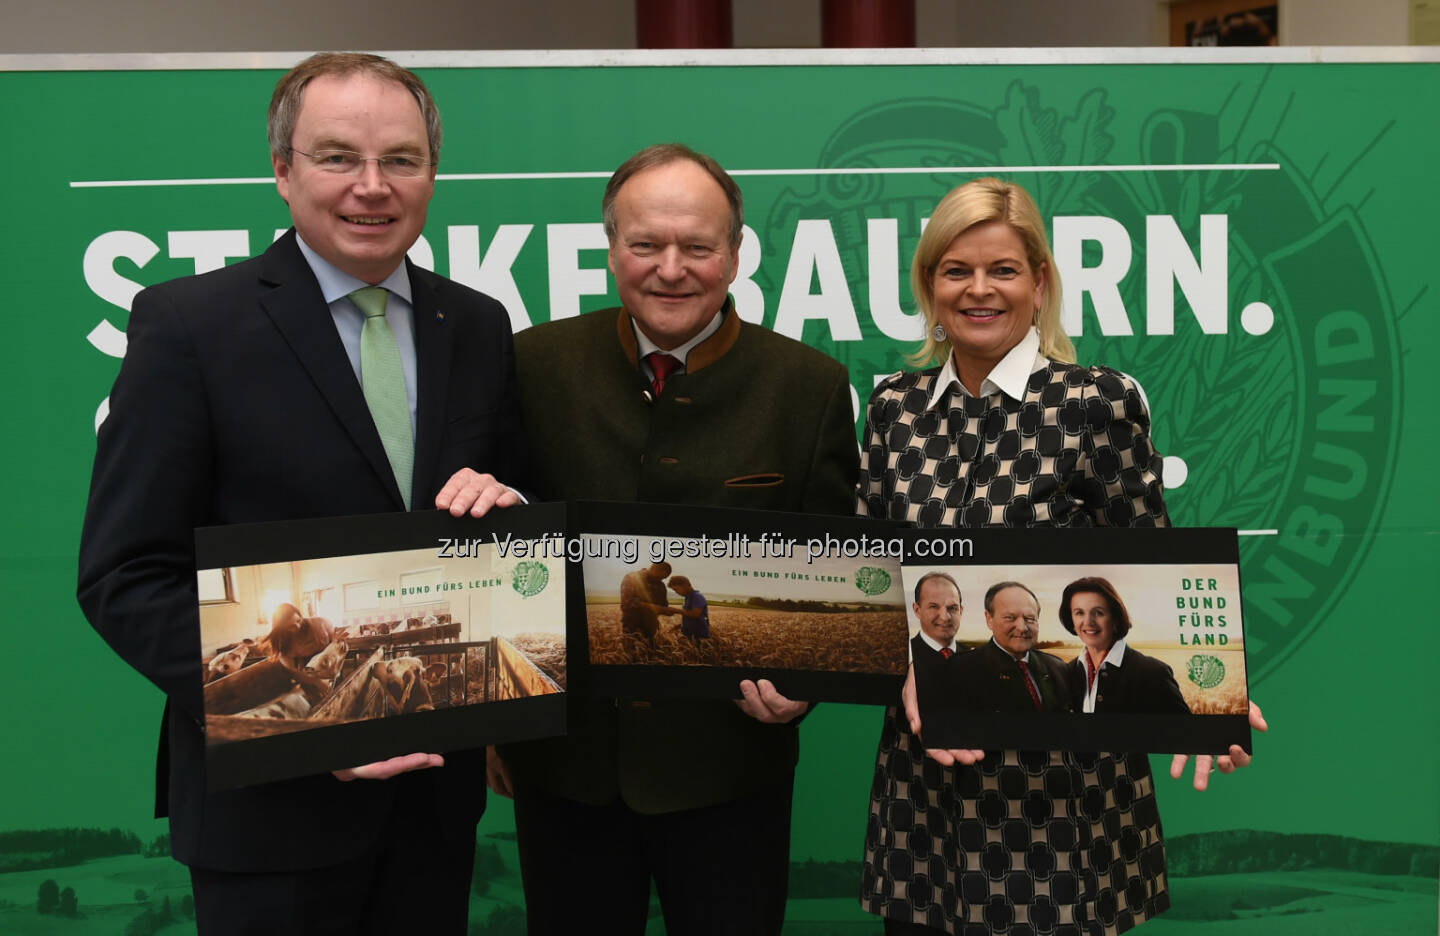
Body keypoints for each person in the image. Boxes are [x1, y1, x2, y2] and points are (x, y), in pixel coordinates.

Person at [76, 52, 525, 935]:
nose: (372, 187)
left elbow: (496, 528)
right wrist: (322, 720)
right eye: (336, 157)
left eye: (400, 159)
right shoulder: (189, 326)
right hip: (266, 820)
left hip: (433, 813)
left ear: (433, 173)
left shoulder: (475, 324)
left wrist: (510, 523)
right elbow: (127, 578)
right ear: (282, 170)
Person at [458, 143, 859, 935]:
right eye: (645, 245)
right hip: (564, 770)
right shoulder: (531, 365)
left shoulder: (807, 386)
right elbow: (495, 556)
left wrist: (806, 676)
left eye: (698, 247)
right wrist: (493, 723)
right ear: (612, 249)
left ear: (736, 255)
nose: (670, 268)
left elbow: (834, 572)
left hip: (730, 771)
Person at [857, 177, 1266, 935]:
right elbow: (871, 586)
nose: (980, 289)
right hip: (929, 784)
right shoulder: (894, 410)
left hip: (1063, 793)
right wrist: (900, 667)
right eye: (956, 270)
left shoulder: (1095, 402)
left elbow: (1155, 567)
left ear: (1039, 283)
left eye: (1004, 270)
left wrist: (1212, 702)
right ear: (929, 285)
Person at [1060, 576, 1190, 715]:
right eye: (1079, 613)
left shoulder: (1153, 673)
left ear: (1115, 618)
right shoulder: (1067, 672)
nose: (1088, 621)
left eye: (1098, 612)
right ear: (1071, 620)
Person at [950, 581, 1073, 713]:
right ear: (989, 619)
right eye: (1010, 617)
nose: (1022, 627)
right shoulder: (960, 671)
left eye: (1029, 618)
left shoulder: (1058, 668)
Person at [908, 571, 965, 712]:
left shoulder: (977, 659)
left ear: (961, 611)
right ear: (917, 610)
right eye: (934, 607)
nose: (945, 617)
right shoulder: (902, 657)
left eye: (952, 608)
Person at [619, 560, 673, 647]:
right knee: (631, 650)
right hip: (632, 623)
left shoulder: (661, 585)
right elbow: (627, 602)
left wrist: (667, 611)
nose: (662, 579)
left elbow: (663, 605)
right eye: (661, 576)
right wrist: (652, 606)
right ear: (654, 569)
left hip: (651, 625)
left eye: (664, 578)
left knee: (649, 651)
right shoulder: (631, 577)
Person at [667, 575, 711, 640]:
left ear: (685, 585)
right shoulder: (688, 597)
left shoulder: (697, 596)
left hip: (699, 635)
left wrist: (676, 610)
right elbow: (689, 617)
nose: (676, 592)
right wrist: (680, 626)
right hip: (691, 635)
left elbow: (695, 614)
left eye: (676, 589)